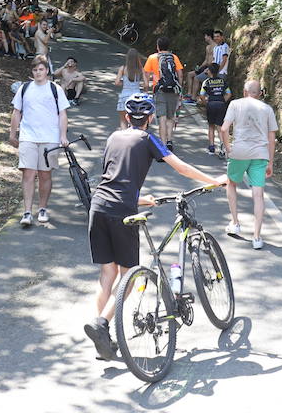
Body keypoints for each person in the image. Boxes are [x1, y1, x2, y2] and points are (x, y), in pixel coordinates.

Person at [83, 93, 225, 360]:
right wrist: (213, 181)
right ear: (149, 119)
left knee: (107, 274)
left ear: (127, 117)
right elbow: (181, 168)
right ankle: (101, 324)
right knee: (128, 276)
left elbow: (111, 179)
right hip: (121, 212)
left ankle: (102, 340)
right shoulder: (147, 139)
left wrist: (138, 199)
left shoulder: (113, 137)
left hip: (98, 206)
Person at [10, 56, 71, 227]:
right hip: (28, 136)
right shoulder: (24, 88)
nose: (38, 72)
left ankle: (42, 208)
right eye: (35, 70)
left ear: (47, 71)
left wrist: (63, 135)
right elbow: (16, 112)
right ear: (32, 71)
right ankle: (27, 212)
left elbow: (62, 114)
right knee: (28, 174)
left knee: (45, 174)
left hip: (49, 138)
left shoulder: (55, 89)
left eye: (41, 69)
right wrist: (12, 134)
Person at [221, 79, 277, 250]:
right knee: (258, 195)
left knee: (231, 183)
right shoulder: (267, 109)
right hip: (260, 154)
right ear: (260, 94)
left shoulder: (235, 104)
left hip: (240, 151)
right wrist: (270, 162)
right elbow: (272, 138)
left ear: (244, 92)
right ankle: (257, 237)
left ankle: (235, 223)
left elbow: (224, 129)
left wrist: (228, 147)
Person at [142, 37, 185, 150]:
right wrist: (179, 88)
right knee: (170, 117)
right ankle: (169, 140)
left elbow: (146, 75)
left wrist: (146, 90)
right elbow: (180, 74)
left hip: (159, 90)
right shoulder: (174, 57)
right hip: (173, 90)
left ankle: (163, 144)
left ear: (157, 47)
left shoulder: (152, 58)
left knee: (162, 117)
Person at [198, 62, 231, 158]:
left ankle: (212, 147)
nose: (206, 71)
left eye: (207, 69)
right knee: (220, 127)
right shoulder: (222, 81)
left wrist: (206, 103)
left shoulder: (206, 82)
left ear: (210, 71)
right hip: (221, 104)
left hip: (211, 104)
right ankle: (222, 148)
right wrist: (222, 101)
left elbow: (202, 95)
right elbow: (229, 93)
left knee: (211, 126)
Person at [115, 49, 147, 129]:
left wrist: (124, 84)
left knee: (123, 120)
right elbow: (146, 84)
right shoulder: (140, 69)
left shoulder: (123, 68)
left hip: (124, 96)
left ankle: (124, 135)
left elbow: (117, 82)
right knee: (135, 120)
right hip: (136, 98)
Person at [186, 30, 215, 101]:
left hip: (211, 67)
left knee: (196, 78)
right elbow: (206, 59)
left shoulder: (216, 46)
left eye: (205, 36)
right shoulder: (208, 47)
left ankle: (193, 97)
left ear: (209, 36)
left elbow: (215, 59)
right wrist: (200, 67)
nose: (204, 37)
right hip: (206, 66)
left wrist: (209, 68)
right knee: (190, 74)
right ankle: (189, 94)